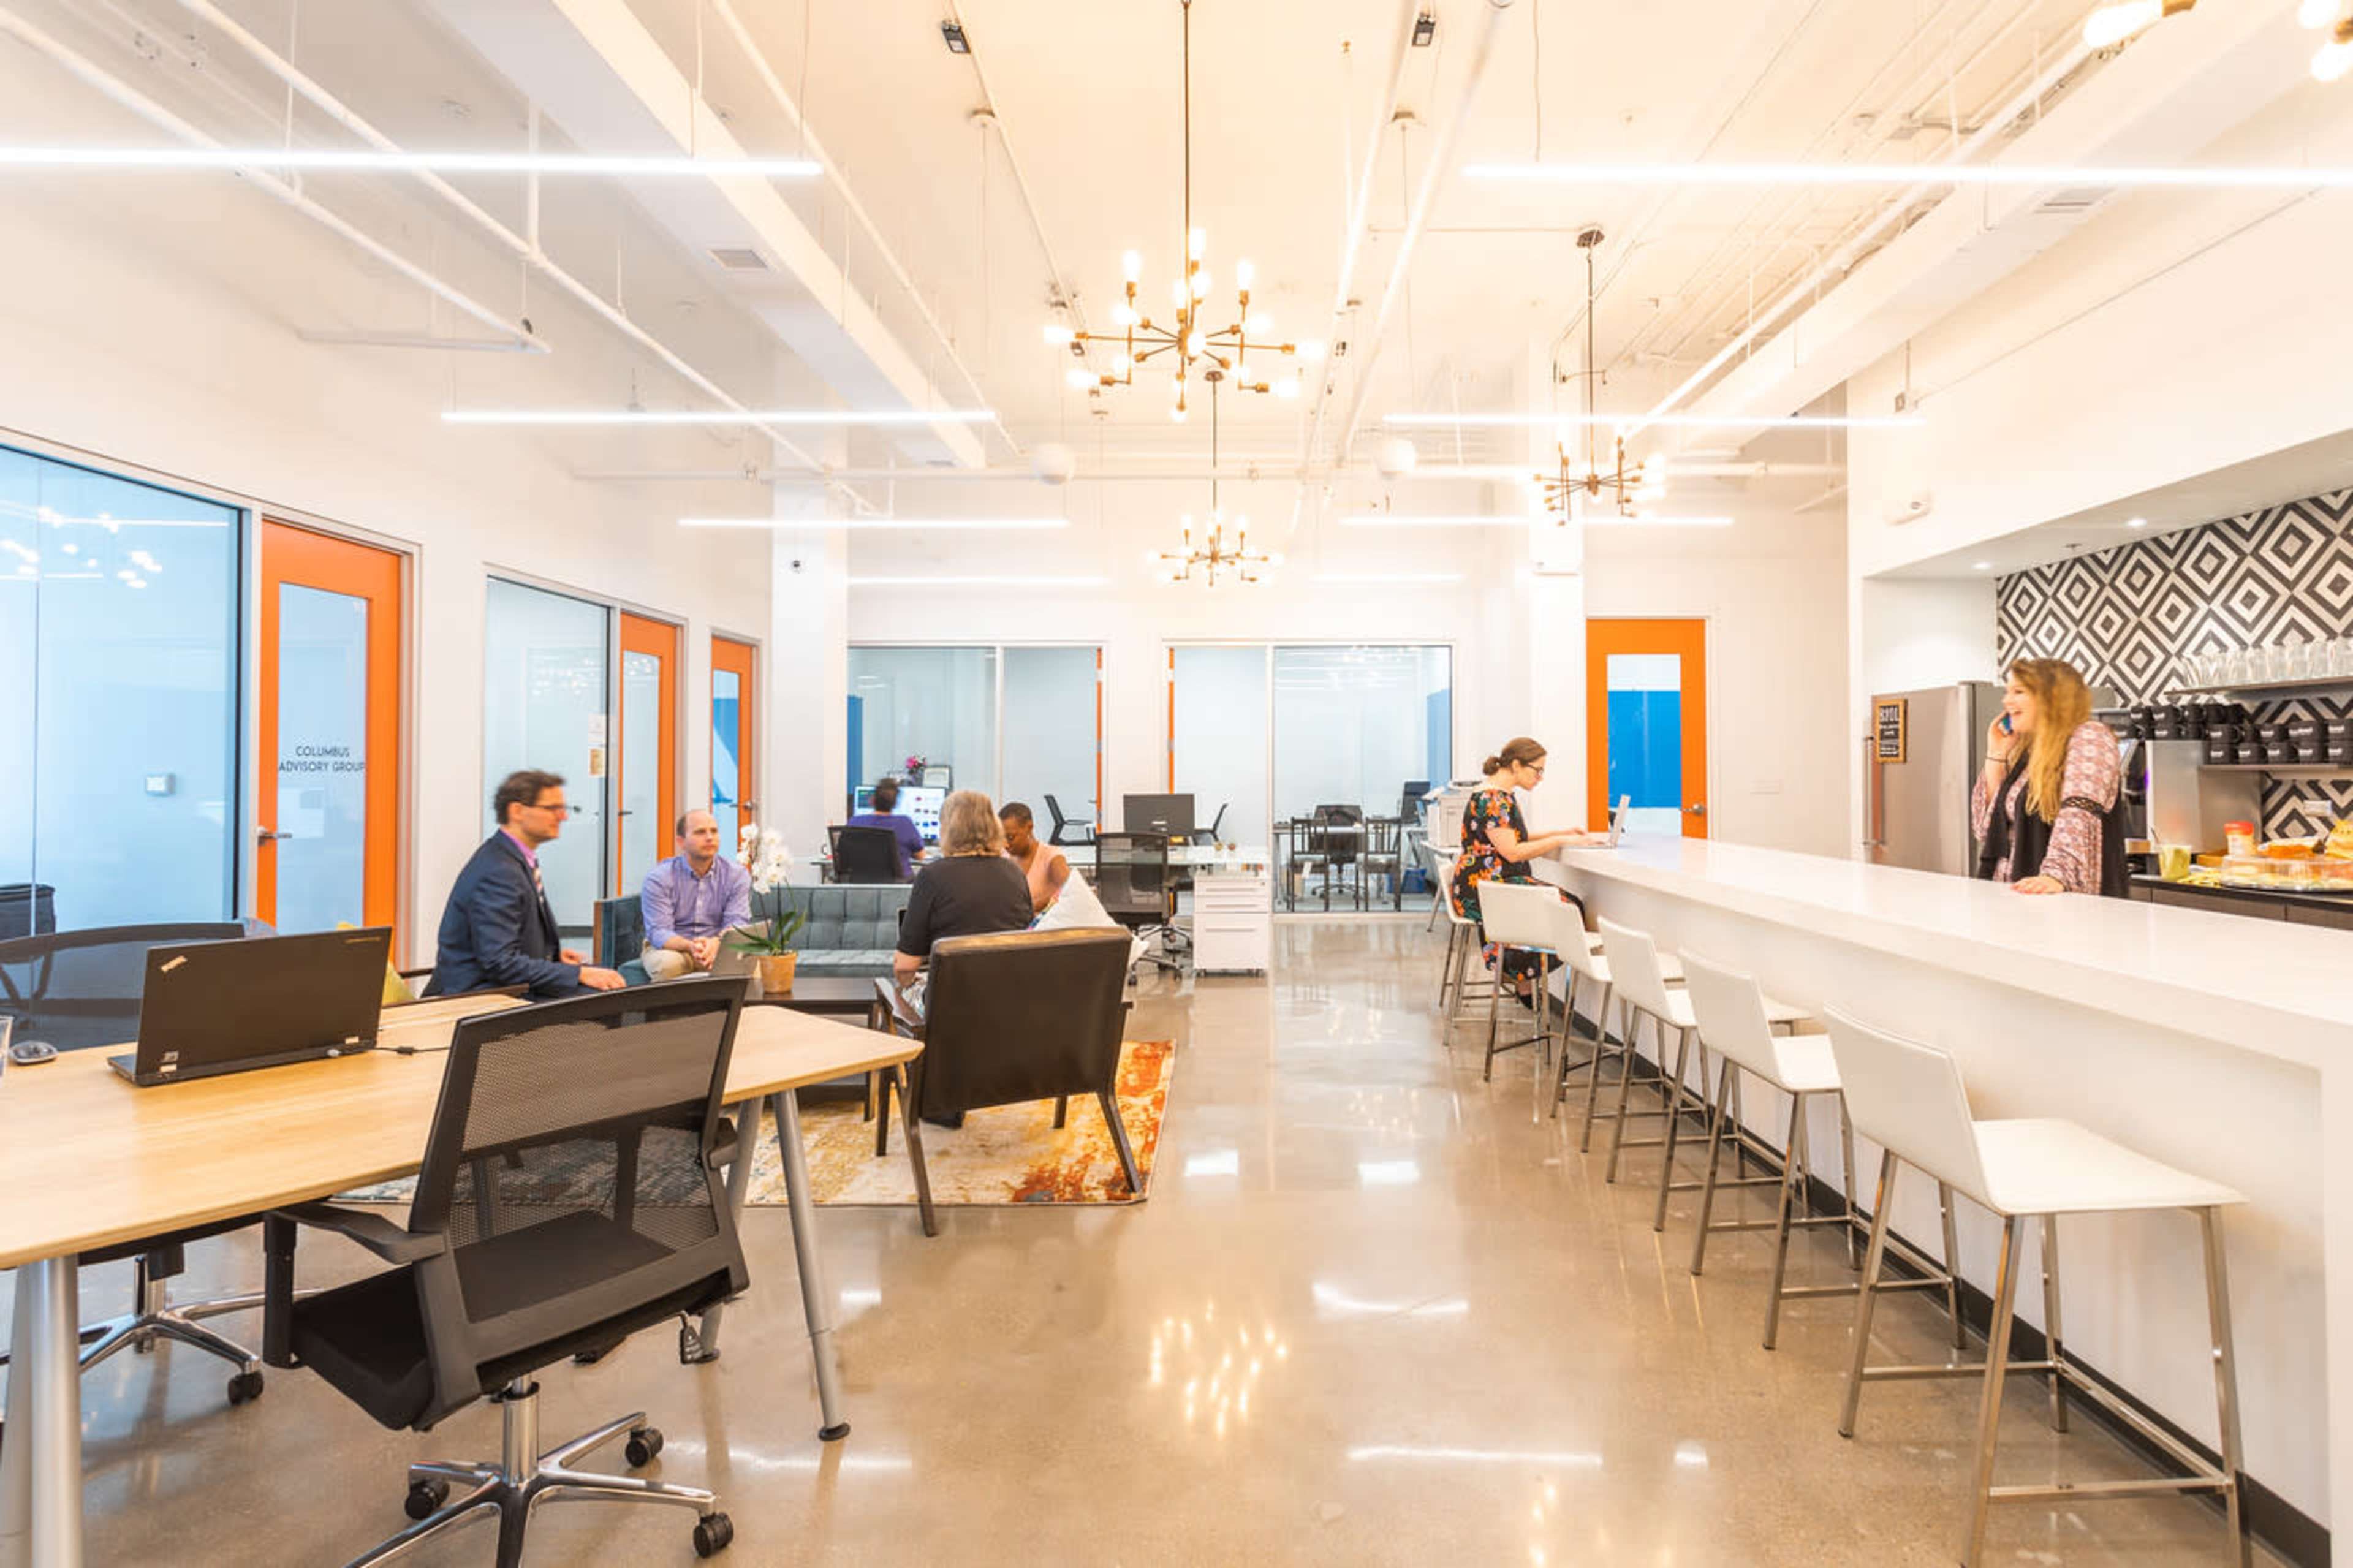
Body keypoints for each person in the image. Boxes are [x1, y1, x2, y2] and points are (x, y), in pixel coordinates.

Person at [426, 770, 626, 999]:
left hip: (505, 984)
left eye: (564, 808)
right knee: (605, 998)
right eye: (552, 809)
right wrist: (575, 973)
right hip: (483, 994)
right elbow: (500, 963)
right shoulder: (498, 871)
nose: (563, 817)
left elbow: (506, 944)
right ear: (517, 811)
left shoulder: (510, 858)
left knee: (609, 983)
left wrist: (552, 958)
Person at [1452, 737, 1607, 1001]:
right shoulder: (1494, 800)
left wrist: (1562, 832)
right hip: (1488, 888)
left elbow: (1512, 838)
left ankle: (1520, 975)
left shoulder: (1497, 796)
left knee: (1568, 909)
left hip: (1488, 884)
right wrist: (1560, 841)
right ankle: (1519, 974)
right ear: (1516, 765)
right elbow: (1512, 851)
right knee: (1570, 909)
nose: (1540, 777)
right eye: (1538, 770)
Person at [1972, 657, 2126, 897]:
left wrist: (2056, 875)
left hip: (2063, 904)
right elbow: (1985, 830)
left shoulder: (2091, 737)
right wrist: (1996, 753)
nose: (2007, 700)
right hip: (2015, 899)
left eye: (2019, 691)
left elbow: (2078, 813)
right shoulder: (2027, 753)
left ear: (2052, 697)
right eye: (2008, 692)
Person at [893, 789, 1034, 987]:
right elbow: (1026, 940)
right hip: (1009, 1000)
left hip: (951, 1004)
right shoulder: (1015, 874)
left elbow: (905, 966)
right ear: (994, 826)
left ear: (948, 829)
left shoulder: (933, 876)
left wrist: (910, 985)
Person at [640, 808, 754, 981]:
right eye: (700, 832)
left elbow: (737, 921)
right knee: (666, 965)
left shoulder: (736, 875)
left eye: (714, 831)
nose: (710, 838)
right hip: (673, 949)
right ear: (681, 841)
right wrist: (691, 946)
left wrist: (716, 944)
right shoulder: (659, 878)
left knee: (754, 964)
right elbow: (659, 931)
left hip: (719, 947)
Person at [999, 801, 1072, 914]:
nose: (1006, 845)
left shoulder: (1051, 857)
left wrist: (1036, 905)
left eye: (1011, 837)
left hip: (1040, 929)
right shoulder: (1002, 857)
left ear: (1029, 827)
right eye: (1001, 838)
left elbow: (1071, 890)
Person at [847, 777, 926, 881]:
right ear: (895, 803)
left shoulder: (854, 823)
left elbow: (844, 856)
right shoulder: (904, 823)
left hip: (860, 886)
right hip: (897, 888)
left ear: (872, 800)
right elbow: (921, 856)